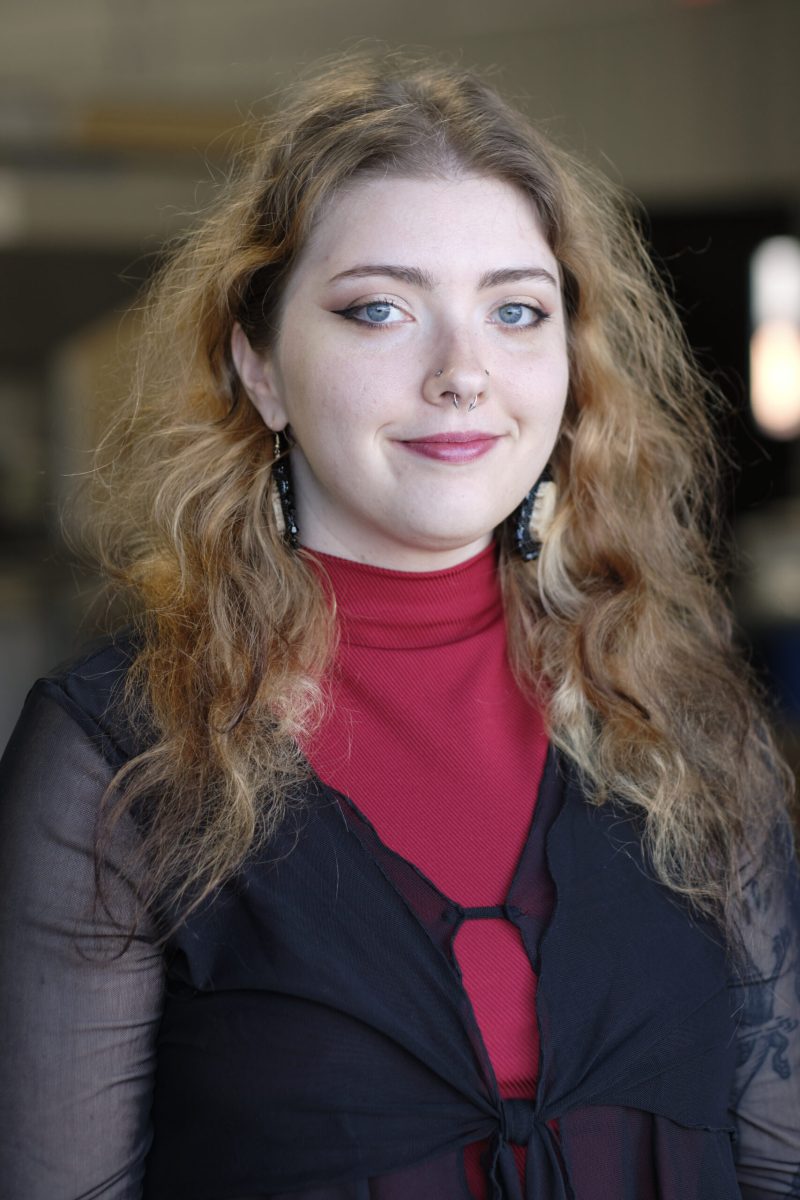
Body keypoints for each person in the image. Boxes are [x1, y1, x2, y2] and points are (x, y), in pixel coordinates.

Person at [0, 52, 798, 1200]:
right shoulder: (118, 760)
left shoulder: (684, 723)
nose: (462, 373)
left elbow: (775, 1158)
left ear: (569, 364)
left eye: (515, 311)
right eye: (380, 309)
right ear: (261, 368)